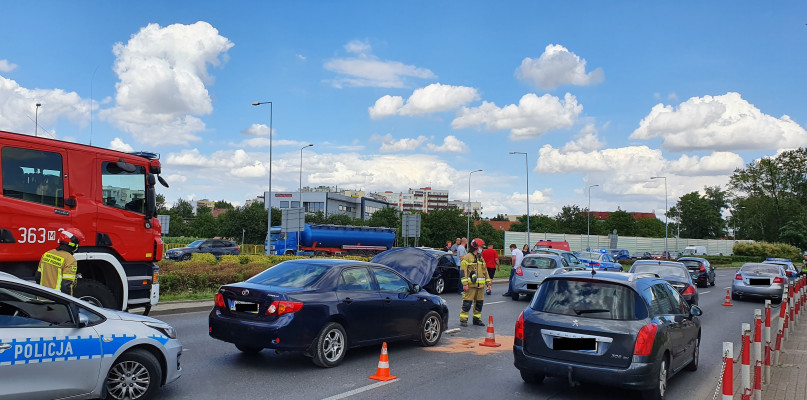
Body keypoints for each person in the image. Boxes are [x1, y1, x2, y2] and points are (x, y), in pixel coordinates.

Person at [35, 228, 85, 295]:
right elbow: (66, 286)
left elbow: (38, 277)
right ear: (73, 243)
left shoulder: (47, 254)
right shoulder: (70, 260)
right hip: (56, 301)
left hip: (41, 297)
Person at [459, 238, 491, 327]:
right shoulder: (467, 257)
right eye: (481, 247)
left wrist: (488, 283)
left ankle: (477, 320)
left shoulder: (481, 258)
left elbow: (485, 271)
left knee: (479, 304)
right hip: (470, 285)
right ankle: (463, 320)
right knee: (467, 303)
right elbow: (463, 271)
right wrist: (465, 284)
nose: (482, 248)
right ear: (476, 247)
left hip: (480, 286)